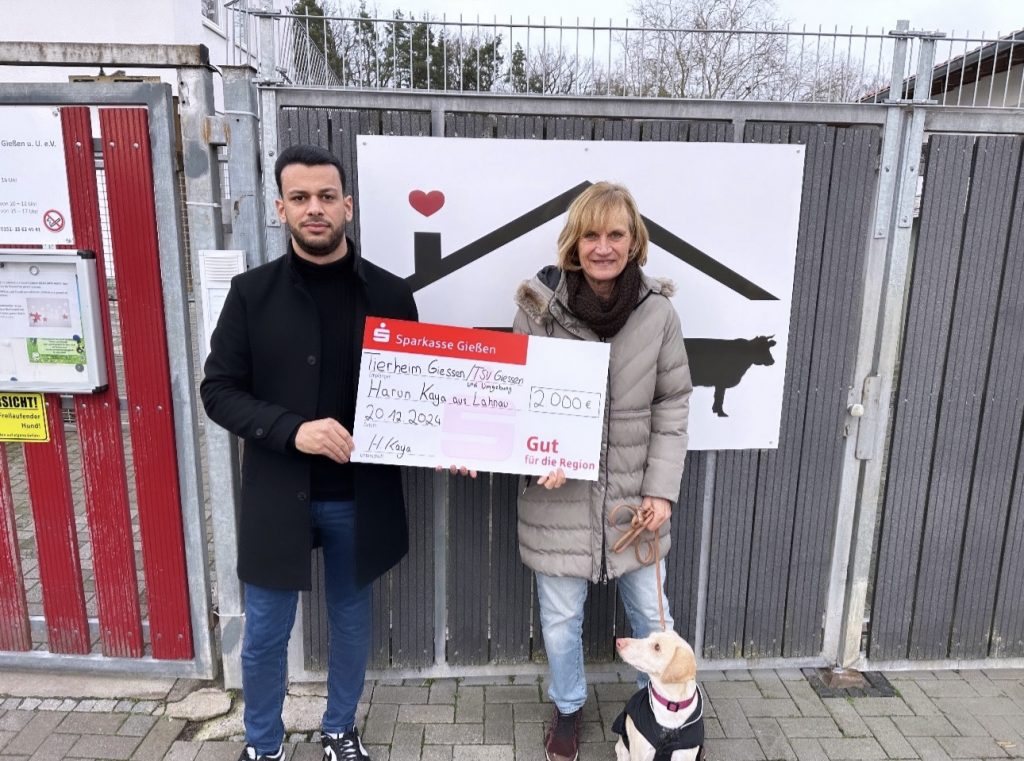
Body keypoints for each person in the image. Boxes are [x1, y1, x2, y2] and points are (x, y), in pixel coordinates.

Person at [201, 144, 417, 761]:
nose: (314, 208)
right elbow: (218, 391)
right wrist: (293, 430)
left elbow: (419, 393)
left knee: (350, 625)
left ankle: (340, 729)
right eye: (300, 198)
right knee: (265, 635)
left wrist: (449, 440)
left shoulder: (392, 294)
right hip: (279, 494)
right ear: (281, 209)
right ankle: (263, 744)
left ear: (347, 205)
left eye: (326, 196)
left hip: (359, 495)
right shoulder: (251, 294)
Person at [512, 181, 692, 761]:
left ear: (634, 241)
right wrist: (539, 454)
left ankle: (661, 714)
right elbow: (518, 395)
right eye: (591, 234)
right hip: (557, 500)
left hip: (635, 502)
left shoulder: (658, 311)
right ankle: (568, 708)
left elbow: (673, 401)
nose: (603, 246)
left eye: (616, 234)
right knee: (561, 618)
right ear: (574, 241)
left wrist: (661, 491)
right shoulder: (539, 308)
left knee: (652, 616)